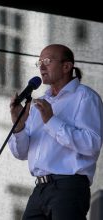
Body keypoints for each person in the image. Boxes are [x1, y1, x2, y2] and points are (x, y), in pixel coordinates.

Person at [8, 44, 103, 220]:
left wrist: (51, 121)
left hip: (68, 187)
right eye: (39, 62)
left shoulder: (85, 97)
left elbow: (92, 144)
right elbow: (20, 153)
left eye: (47, 61)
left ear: (66, 67)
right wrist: (19, 126)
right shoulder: (39, 103)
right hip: (39, 189)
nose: (41, 67)